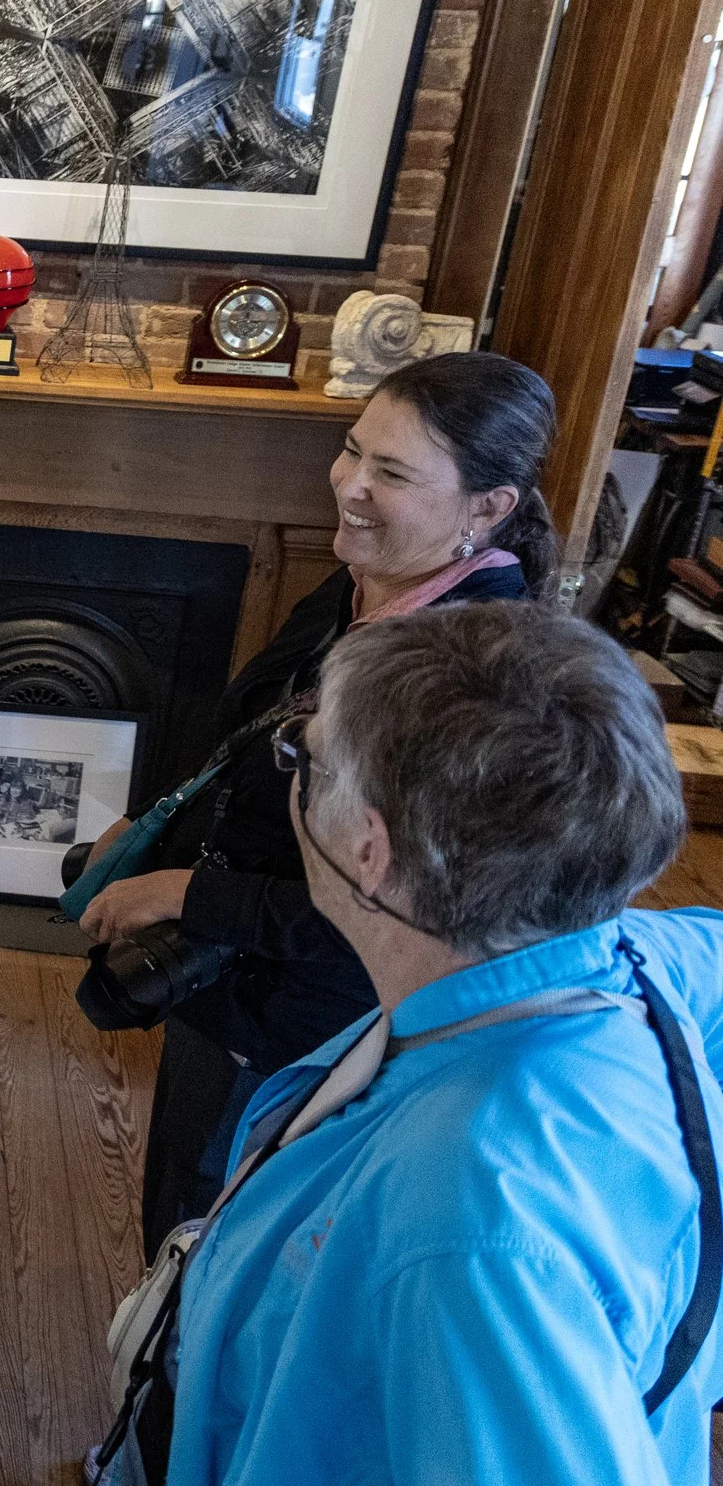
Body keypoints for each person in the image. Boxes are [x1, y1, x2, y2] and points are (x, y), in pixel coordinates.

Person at [130, 602, 719, 1484]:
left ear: (370, 847)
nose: (293, 774)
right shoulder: (630, 954)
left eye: (302, 757)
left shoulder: (476, 1234)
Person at [75, 352, 558, 1252]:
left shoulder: (471, 674)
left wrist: (185, 893)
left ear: (489, 507)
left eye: (393, 473)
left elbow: (395, 910)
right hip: (228, 976)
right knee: (178, 1218)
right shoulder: (362, 583)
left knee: (216, 1245)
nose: (351, 486)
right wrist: (152, 824)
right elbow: (241, 728)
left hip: (307, 1024)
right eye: (352, 449)